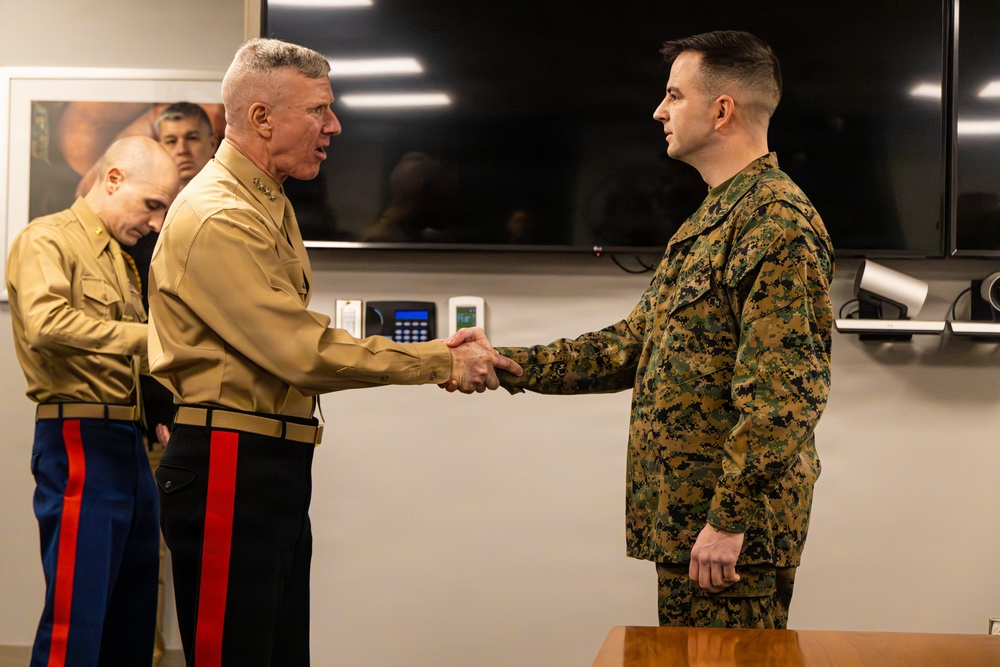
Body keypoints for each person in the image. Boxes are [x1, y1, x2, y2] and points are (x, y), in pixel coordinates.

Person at [147, 37, 520, 666]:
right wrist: (443, 360)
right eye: (319, 109)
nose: (334, 125)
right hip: (230, 465)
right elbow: (302, 353)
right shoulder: (220, 216)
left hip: (266, 461)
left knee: (277, 651)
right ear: (262, 117)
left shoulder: (263, 201)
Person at [447, 30, 834, 628]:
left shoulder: (777, 223)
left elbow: (783, 398)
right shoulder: (712, 218)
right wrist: (505, 361)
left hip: (727, 540)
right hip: (688, 524)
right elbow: (631, 346)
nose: (660, 110)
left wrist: (730, 519)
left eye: (675, 95)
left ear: (722, 110)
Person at [6, 136, 180, 666]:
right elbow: (46, 324)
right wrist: (155, 339)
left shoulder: (124, 263)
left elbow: (131, 359)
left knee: (131, 613)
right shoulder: (46, 239)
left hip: (128, 443)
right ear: (112, 179)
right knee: (77, 619)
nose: (155, 223)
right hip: (79, 439)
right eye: (152, 205)